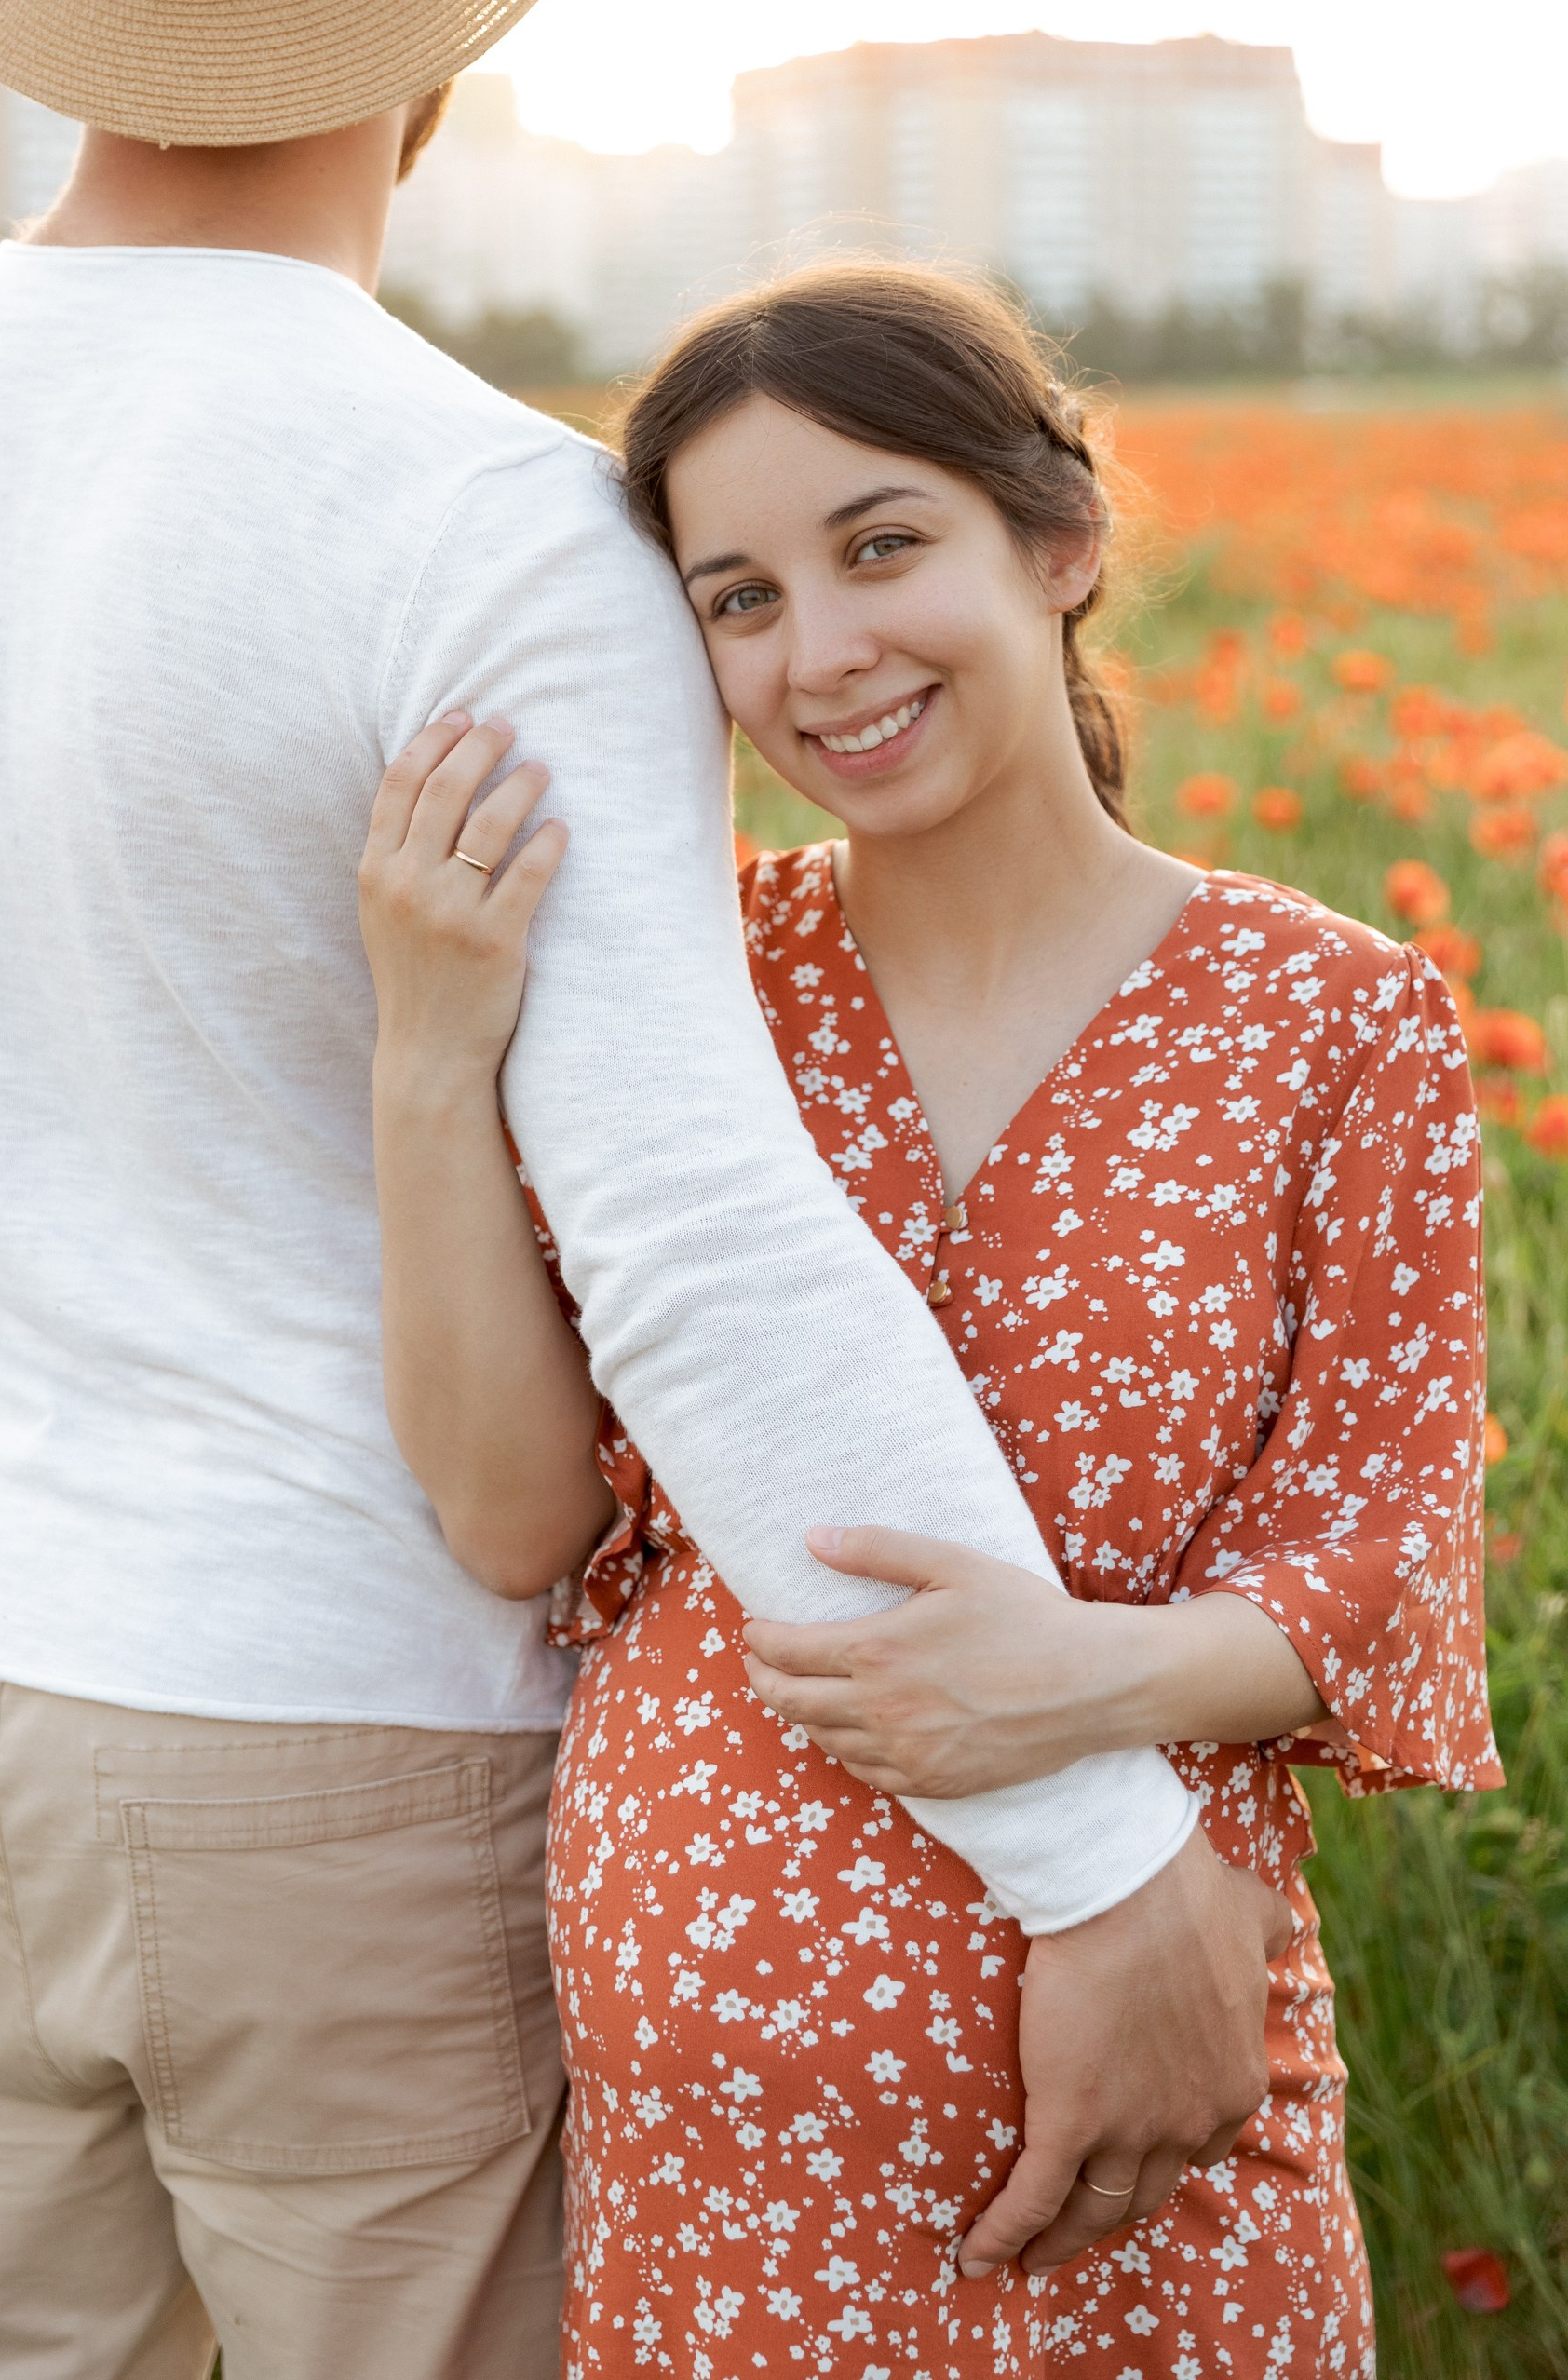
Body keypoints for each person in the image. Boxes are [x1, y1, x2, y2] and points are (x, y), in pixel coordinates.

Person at [0, 0, 1286, 2364]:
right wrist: (1095, 1848)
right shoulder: (472, 518)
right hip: (322, 1737)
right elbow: (694, 1234)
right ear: (448, 9)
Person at [358, 263, 1499, 2377]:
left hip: (1165, 2058)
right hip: (717, 2122)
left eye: (880, 546)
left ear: (1057, 542)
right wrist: (433, 1058)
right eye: (739, 599)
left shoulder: (1334, 1019)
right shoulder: (676, 993)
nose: (822, 654)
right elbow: (516, 1521)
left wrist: (1076, 1686)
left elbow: (1387, 1558)